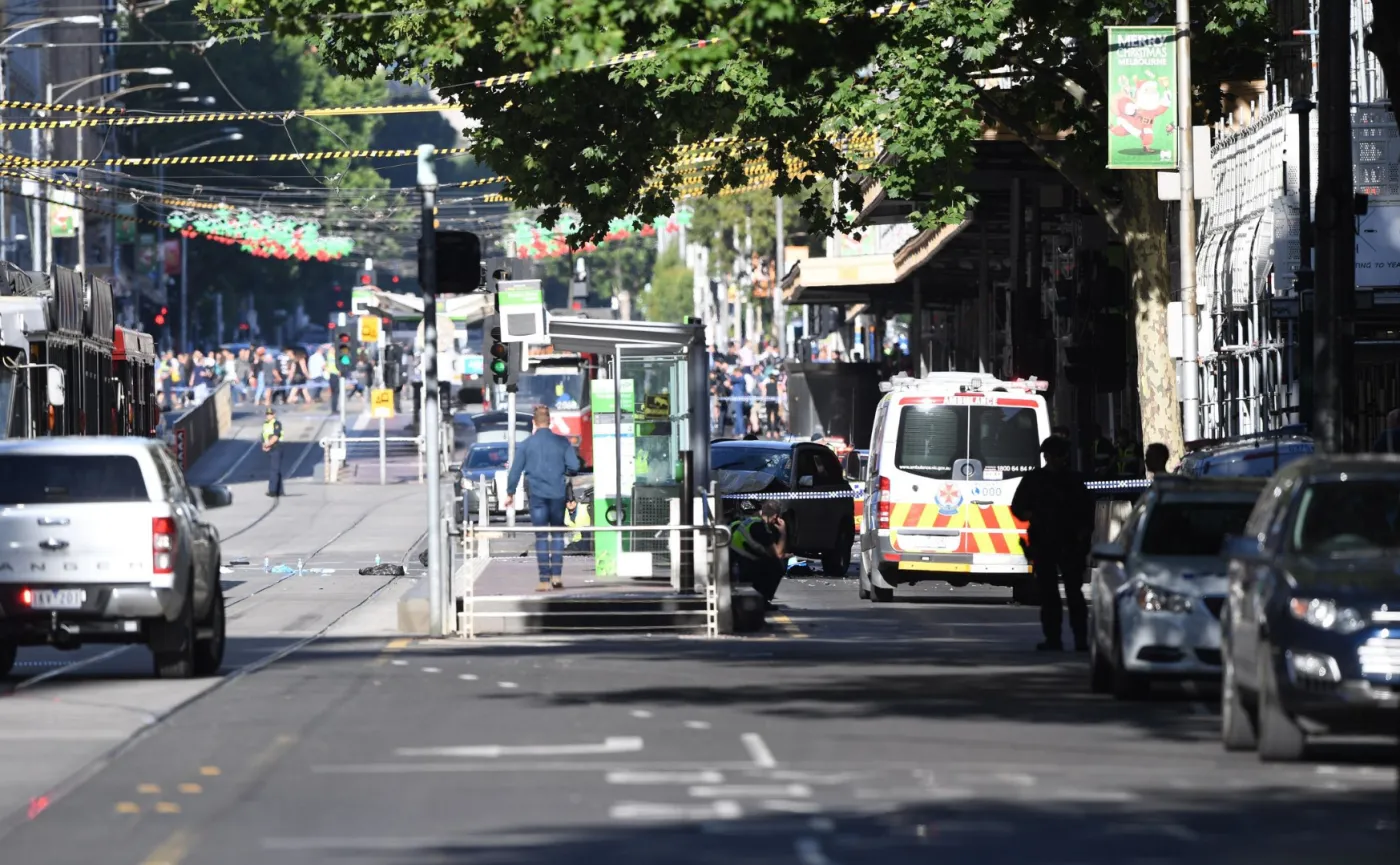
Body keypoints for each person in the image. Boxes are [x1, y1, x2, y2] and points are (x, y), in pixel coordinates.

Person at [1010, 435, 1094, 652]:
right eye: (1053, 455)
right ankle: (1056, 639)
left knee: (1072, 594)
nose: (1056, 459)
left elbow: (1087, 514)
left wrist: (1082, 538)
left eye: (1058, 455)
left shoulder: (1071, 481)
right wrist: (1034, 516)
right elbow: (1018, 507)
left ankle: (1078, 640)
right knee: (1050, 594)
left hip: (1067, 544)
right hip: (1047, 543)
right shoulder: (1037, 479)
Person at [506, 404, 581, 592]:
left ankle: (543, 579)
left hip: (537, 495)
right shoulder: (562, 442)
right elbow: (574, 466)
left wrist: (510, 492)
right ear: (549, 421)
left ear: (534, 422)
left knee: (541, 536)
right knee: (557, 535)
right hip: (557, 494)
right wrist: (562, 472)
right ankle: (556, 576)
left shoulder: (526, 444)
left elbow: (515, 471)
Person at [730, 501, 787, 607]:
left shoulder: (751, 522)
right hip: (743, 566)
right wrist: (783, 533)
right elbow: (777, 554)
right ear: (775, 517)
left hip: (735, 562)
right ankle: (764, 601)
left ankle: (759, 597)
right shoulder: (759, 526)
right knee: (778, 565)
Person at [261, 407, 284, 498]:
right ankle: (280, 490)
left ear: (274, 415)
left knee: (274, 470)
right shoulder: (265, 424)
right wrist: (264, 445)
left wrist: (267, 445)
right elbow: (264, 436)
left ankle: (272, 491)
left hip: (276, 448)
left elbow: (276, 436)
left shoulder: (276, 424)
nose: (268, 416)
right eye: (267, 414)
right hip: (270, 448)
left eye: (270, 414)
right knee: (276, 469)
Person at [564, 487, 592, 554]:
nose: (570, 503)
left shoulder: (585, 507)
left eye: (572, 500)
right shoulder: (564, 513)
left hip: (588, 540)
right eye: (568, 501)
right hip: (576, 542)